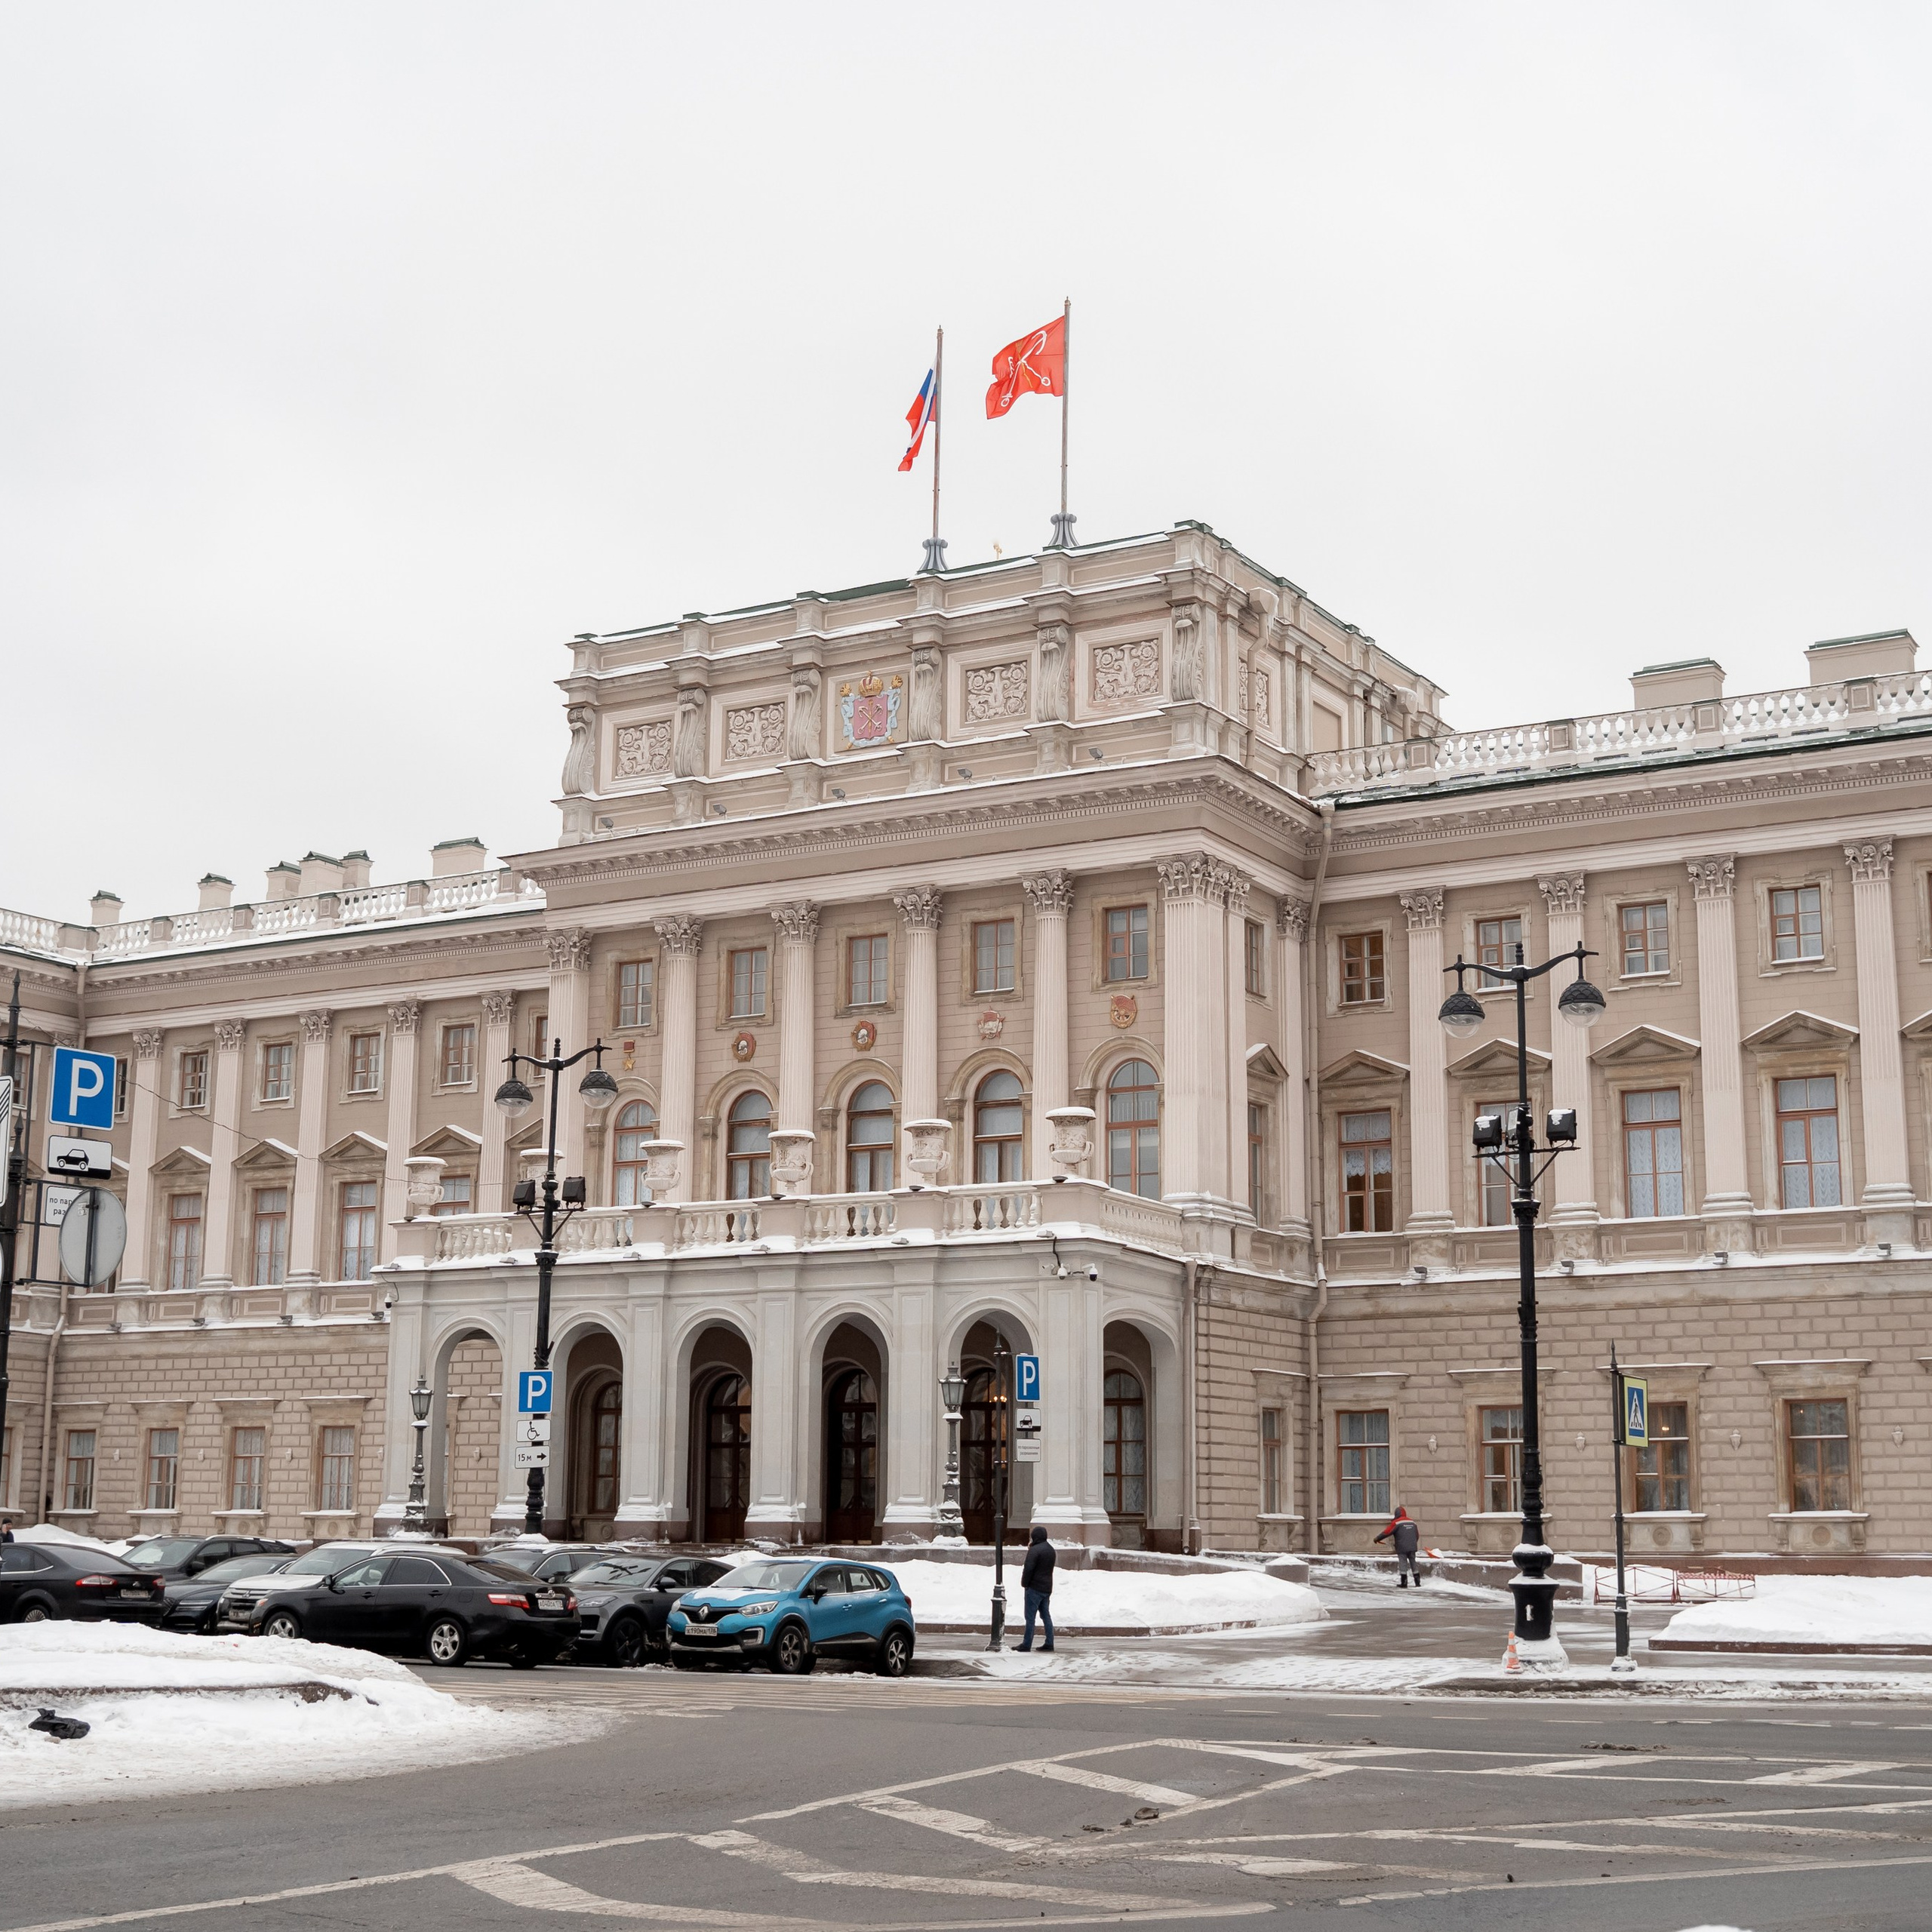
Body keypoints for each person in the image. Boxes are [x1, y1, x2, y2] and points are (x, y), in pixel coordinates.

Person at [1017, 1524, 1056, 1651]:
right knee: (1046, 1616)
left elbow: (1028, 1569)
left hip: (1034, 1588)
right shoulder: (1051, 1549)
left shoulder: (1035, 1550)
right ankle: (1049, 1643)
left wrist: (1025, 1584)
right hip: (1047, 1588)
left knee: (1030, 1617)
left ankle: (1026, 1644)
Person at [1375, 1505, 1423, 1587]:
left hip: (1402, 1547)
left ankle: (1404, 1583)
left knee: (1403, 1563)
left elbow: (1387, 1532)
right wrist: (1412, 1543)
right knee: (1413, 1562)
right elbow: (1417, 1535)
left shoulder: (1396, 1523)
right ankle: (1417, 1582)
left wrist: (1377, 1539)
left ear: (1396, 1514)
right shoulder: (1412, 1522)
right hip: (1412, 1546)